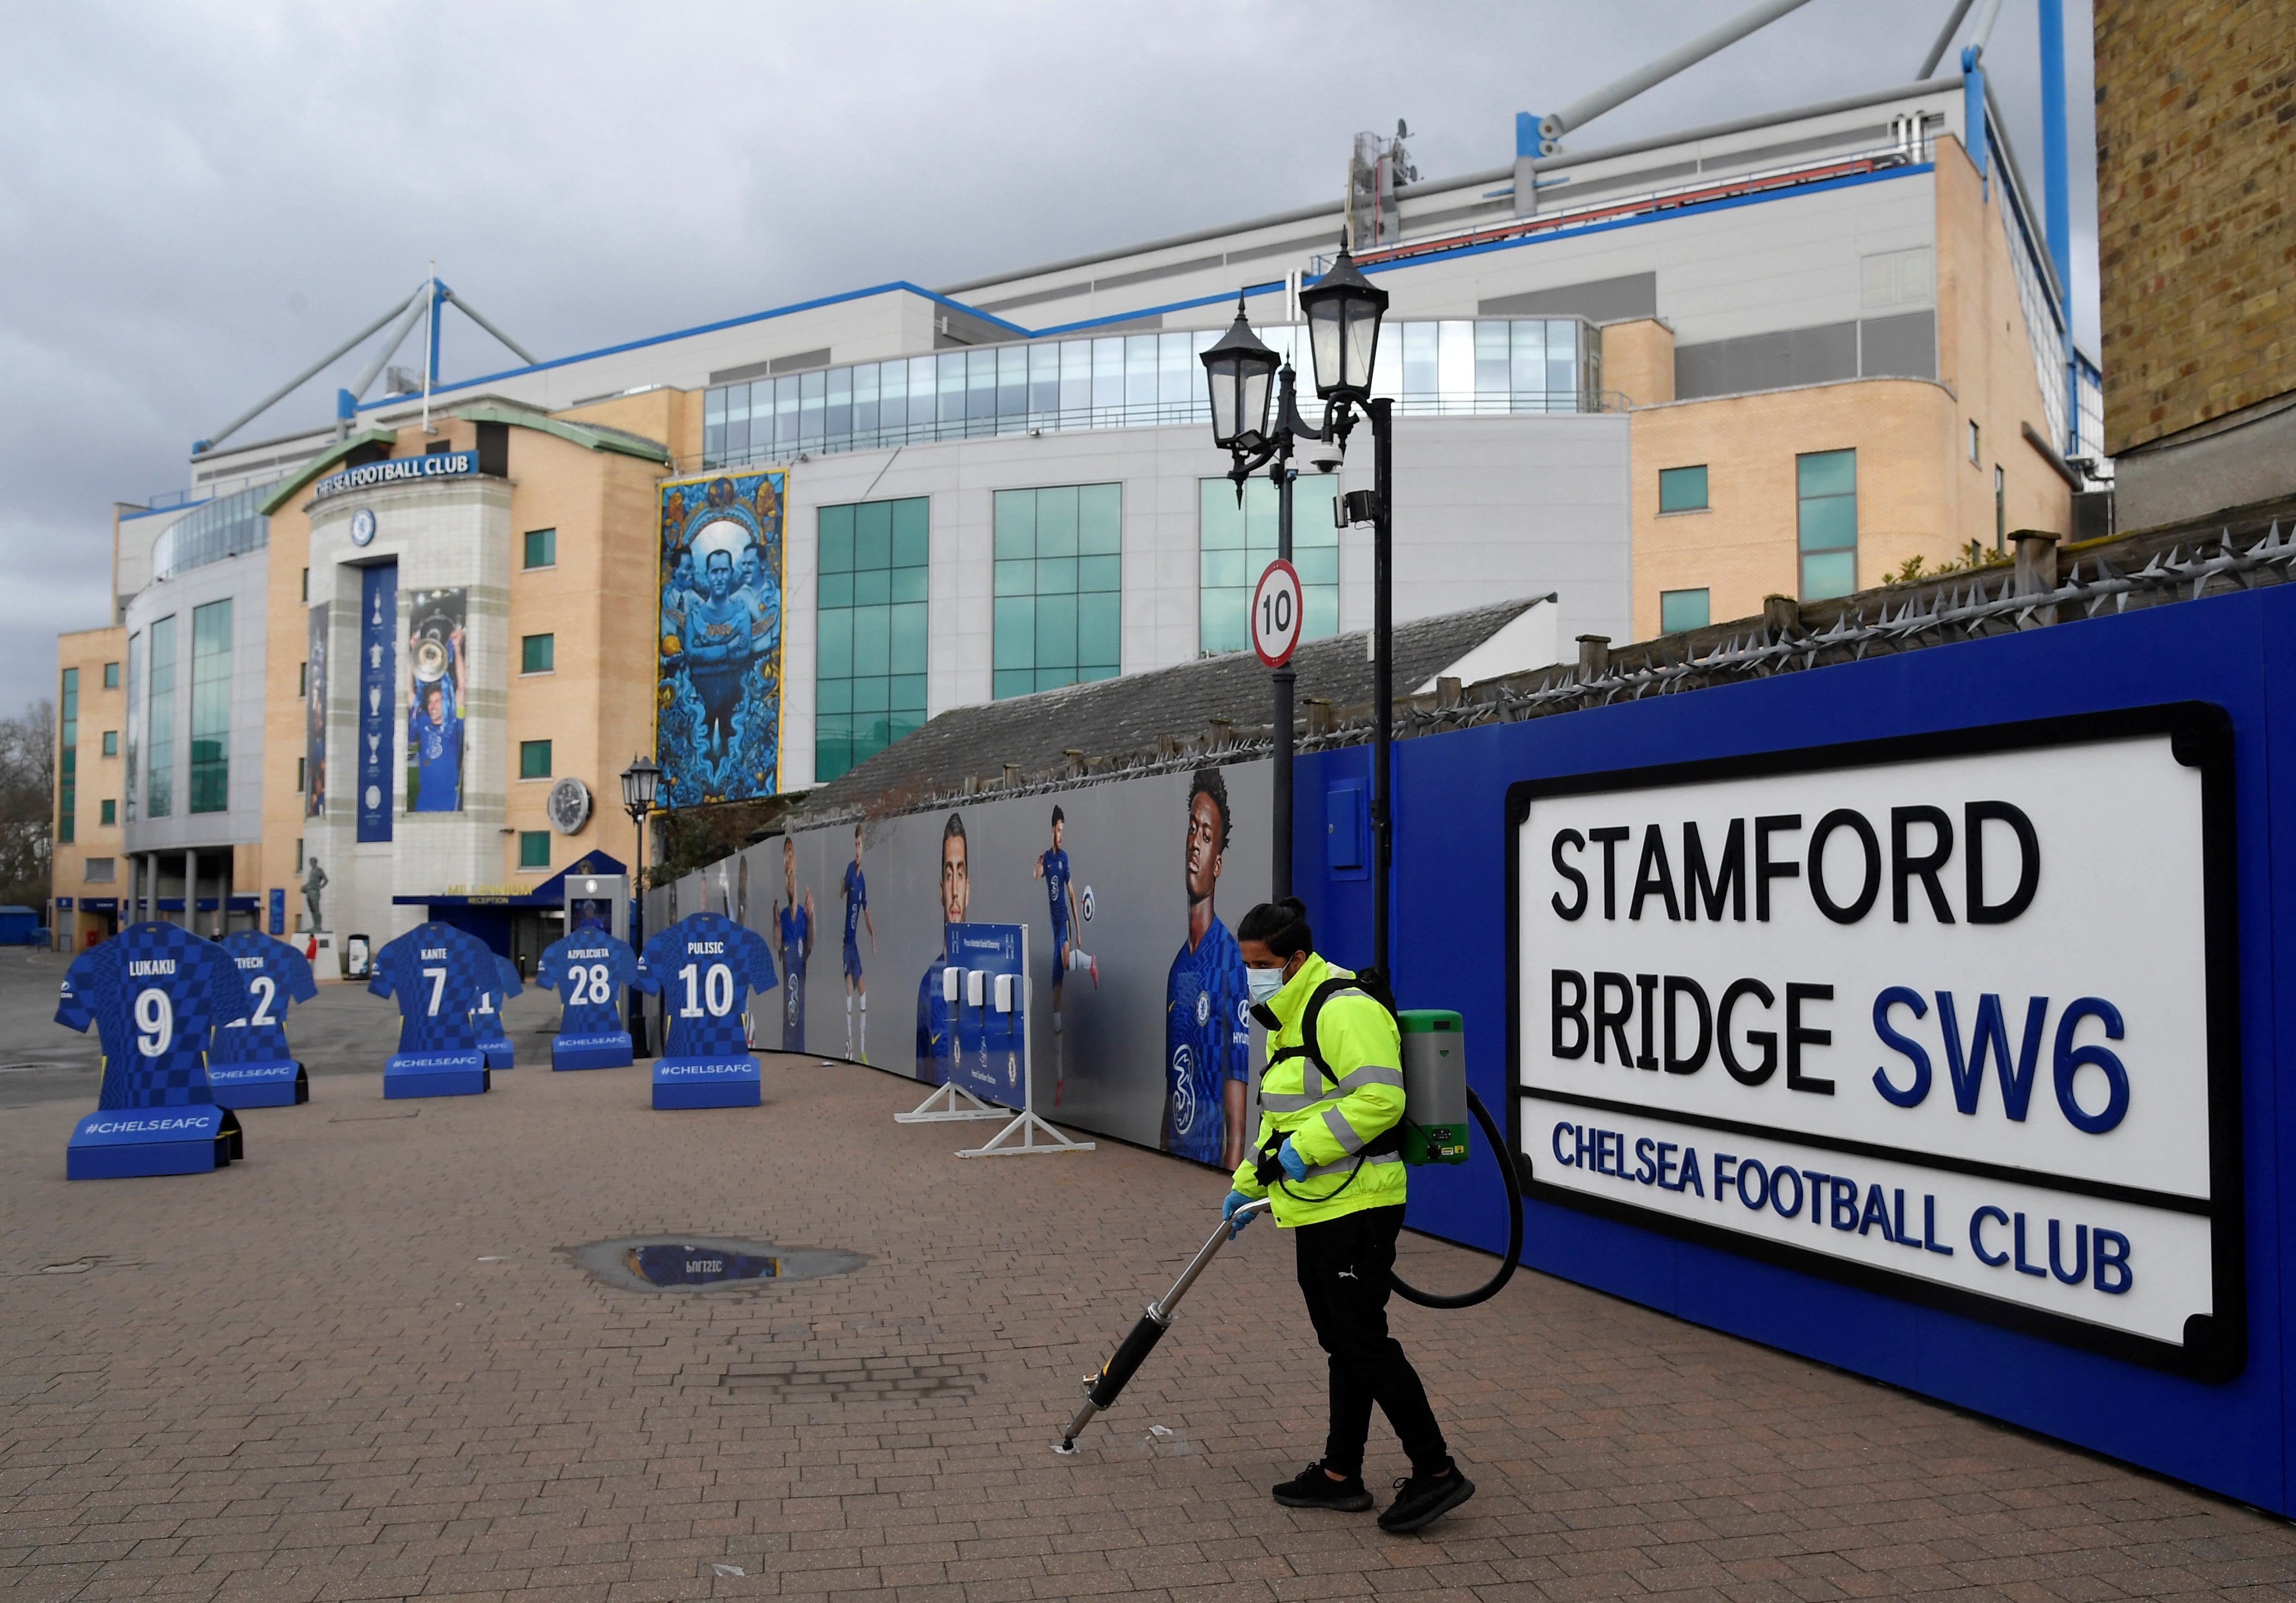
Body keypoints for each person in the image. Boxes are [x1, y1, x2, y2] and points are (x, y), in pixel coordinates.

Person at [1221, 896, 1475, 1534]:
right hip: (1319, 1205)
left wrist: (1305, 1152)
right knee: (1343, 1339)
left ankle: (1436, 1469)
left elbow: (1381, 1098)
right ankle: (1340, 1473)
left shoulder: (1342, 1008)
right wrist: (1247, 1182)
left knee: (1361, 1338)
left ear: (1295, 958)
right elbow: (1285, 1117)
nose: (1249, 973)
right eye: (1245, 962)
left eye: (1259, 963)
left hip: (1360, 1203)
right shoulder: (1290, 1014)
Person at [1163, 768, 1250, 1168]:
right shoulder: (1178, 969)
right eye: (1192, 829)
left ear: (1217, 863)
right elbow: (1172, 1085)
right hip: (1176, 1160)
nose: (1195, 844)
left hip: (1210, 1165)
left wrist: (1229, 1172)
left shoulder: (1229, 958)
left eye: (1207, 835)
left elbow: (1236, 1075)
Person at [1035, 805, 1097, 1102]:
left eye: (1064, 831)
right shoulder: (1047, 860)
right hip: (1053, 930)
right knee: (1055, 1008)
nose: (1061, 835)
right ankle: (1060, 1080)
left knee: (1065, 958)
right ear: (1052, 830)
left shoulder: (1065, 859)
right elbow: (1035, 876)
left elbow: (1072, 893)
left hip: (1063, 926)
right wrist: (1036, 867)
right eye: (1058, 830)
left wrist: (1078, 929)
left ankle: (1089, 962)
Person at [915, 812, 967, 1085]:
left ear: (969, 888)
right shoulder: (929, 984)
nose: (955, 890)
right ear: (941, 890)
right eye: (949, 875)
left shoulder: (986, 979)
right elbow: (922, 1074)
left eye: (960, 874)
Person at [405, 625, 465, 813]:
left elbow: (462, 688)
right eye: (430, 702)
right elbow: (409, 692)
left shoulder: (456, 724)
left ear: (446, 703)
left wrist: (457, 648)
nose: (432, 706)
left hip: (449, 800)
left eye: (438, 701)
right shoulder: (423, 723)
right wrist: (413, 654)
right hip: (425, 801)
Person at [775, 835, 813, 1053]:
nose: (788, 860)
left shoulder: (803, 913)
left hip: (801, 972)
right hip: (790, 975)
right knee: (790, 1011)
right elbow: (777, 943)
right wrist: (777, 926)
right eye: (785, 855)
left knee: (799, 1011)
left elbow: (811, 941)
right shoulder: (784, 914)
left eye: (791, 854)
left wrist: (812, 916)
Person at [841, 824, 874, 1062]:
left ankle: (862, 1049)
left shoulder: (863, 882)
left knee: (863, 995)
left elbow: (866, 912)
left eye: (860, 845)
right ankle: (849, 1044)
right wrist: (841, 887)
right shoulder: (851, 871)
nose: (857, 850)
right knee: (849, 995)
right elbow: (842, 891)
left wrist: (873, 937)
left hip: (856, 947)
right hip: (847, 944)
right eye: (855, 845)